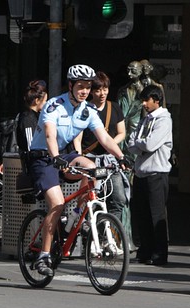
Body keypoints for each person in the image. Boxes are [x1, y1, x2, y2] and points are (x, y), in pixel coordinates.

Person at [27, 64, 130, 276]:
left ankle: (80, 216)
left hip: (65, 155)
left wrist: (121, 157)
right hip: (43, 156)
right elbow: (49, 135)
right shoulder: (54, 105)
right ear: (71, 85)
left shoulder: (88, 110)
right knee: (56, 204)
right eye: (80, 86)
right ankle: (43, 256)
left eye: (88, 87)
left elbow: (105, 137)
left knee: (92, 166)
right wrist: (55, 157)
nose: (84, 91)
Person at [73, 71, 135, 250]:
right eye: (99, 90)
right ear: (92, 91)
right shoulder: (84, 109)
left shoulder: (114, 107)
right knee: (89, 200)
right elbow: (78, 137)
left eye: (105, 89)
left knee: (117, 199)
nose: (102, 93)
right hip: (90, 161)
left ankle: (110, 237)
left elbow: (122, 132)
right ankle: (90, 238)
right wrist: (79, 157)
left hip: (109, 161)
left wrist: (109, 145)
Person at [128, 85, 172, 266]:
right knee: (142, 214)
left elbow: (150, 145)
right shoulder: (145, 119)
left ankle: (159, 253)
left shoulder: (164, 120)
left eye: (147, 100)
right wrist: (139, 143)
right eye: (142, 100)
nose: (144, 104)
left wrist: (139, 143)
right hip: (141, 173)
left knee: (156, 215)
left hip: (156, 173)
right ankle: (145, 250)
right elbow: (131, 143)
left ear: (157, 100)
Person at [0, 79, 48, 174]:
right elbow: (31, 145)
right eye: (45, 101)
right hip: (30, 166)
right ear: (37, 101)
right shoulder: (28, 118)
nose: (47, 103)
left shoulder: (35, 116)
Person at [117, 60, 144, 164]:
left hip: (136, 126)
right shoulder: (122, 90)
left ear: (139, 72)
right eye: (128, 71)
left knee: (134, 156)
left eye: (133, 71)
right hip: (122, 126)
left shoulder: (144, 91)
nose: (129, 74)